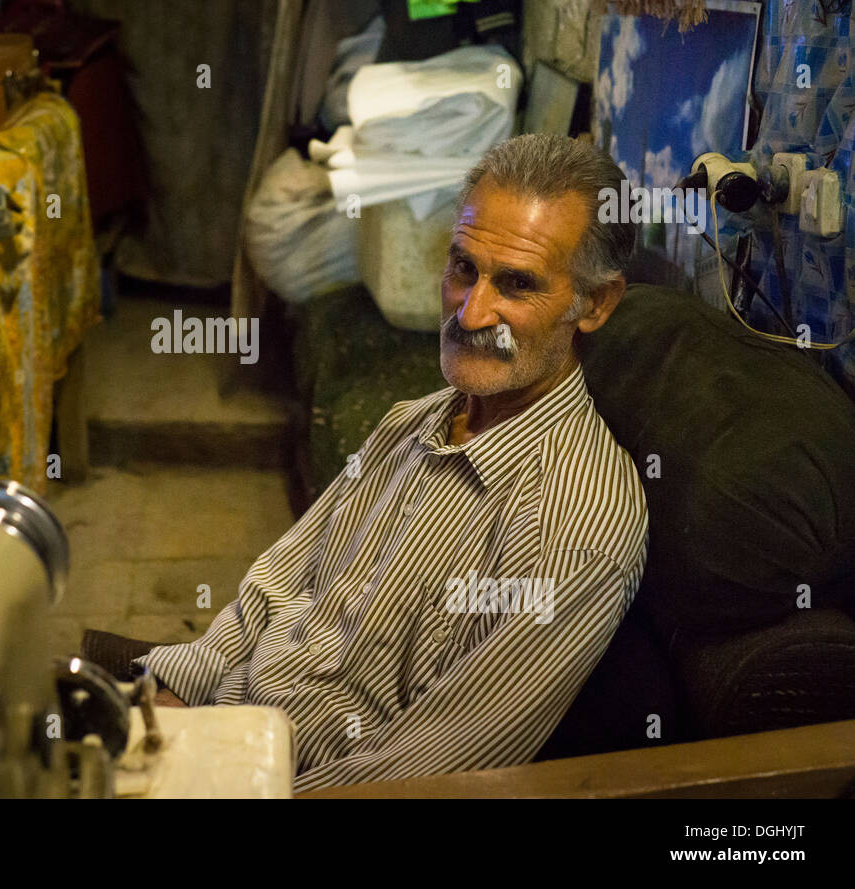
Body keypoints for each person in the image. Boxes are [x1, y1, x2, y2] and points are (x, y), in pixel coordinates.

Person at [136, 133, 649, 793]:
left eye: (516, 285)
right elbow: (277, 586)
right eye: (464, 267)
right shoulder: (412, 420)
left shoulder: (575, 523)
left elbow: (424, 774)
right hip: (216, 738)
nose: (471, 312)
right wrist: (169, 696)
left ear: (596, 303)